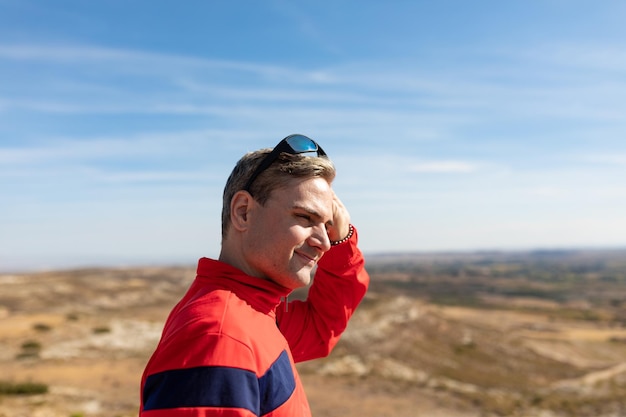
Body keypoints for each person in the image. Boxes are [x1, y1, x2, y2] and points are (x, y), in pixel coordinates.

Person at [139, 134, 370, 417]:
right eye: (305, 218)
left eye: (327, 224)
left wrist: (343, 240)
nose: (324, 241)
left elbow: (322, 327)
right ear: (243, 212)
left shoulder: (259, 313)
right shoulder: (220, 337)